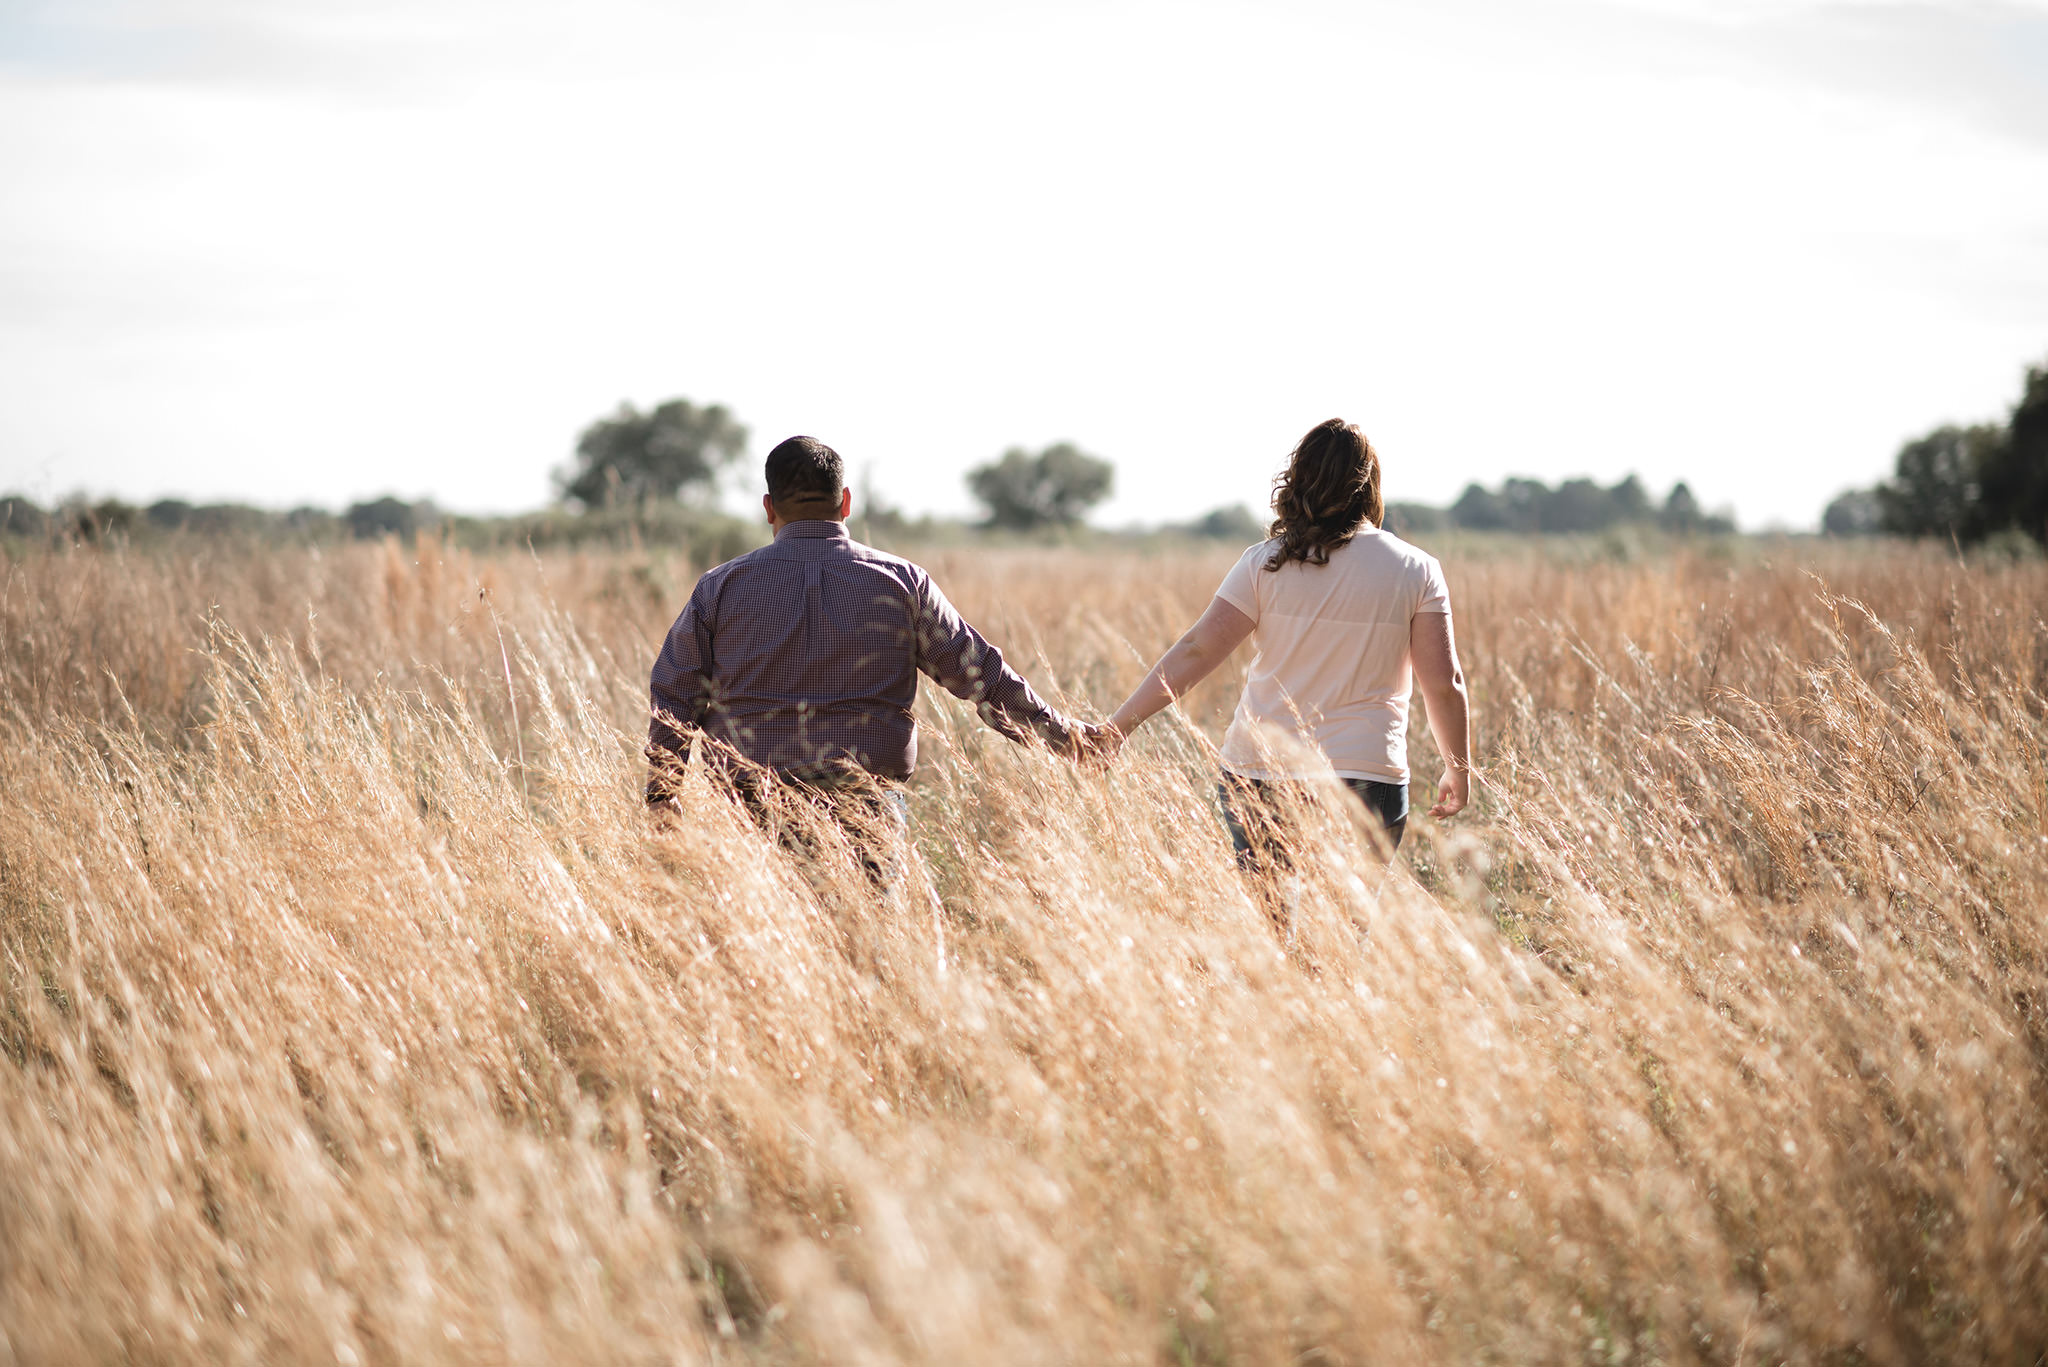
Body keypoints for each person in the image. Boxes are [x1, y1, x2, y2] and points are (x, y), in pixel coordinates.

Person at [646, 435, 1097, 875]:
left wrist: (663, 798)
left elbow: (675, 694)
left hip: (749, 803)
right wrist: (1066, 739)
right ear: (845, 502)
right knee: (869, 944)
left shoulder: (721, 587)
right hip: (866, 805)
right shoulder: (902, 582)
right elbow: (982, 675)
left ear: (769, 508)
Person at [1099, 417, 1471, 874]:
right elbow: (1444, 682)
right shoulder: (1417, 569)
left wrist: (1117, 729)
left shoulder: (1265, 562)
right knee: (1348, 932)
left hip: (1259, 771)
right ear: (1370, 484)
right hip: (1367, 774)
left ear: (1299, 481)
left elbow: (1197, 649)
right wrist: (1459, 769)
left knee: (1272, 930)